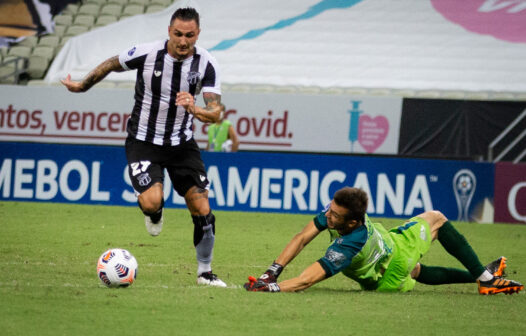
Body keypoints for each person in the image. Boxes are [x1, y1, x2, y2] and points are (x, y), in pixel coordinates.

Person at [61, 7, 227, 287]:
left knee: (203, 211)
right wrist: (83, 85)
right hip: (143, 142)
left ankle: (204, 272)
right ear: (169, 31)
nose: (183, 41)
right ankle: (155, 212)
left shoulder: (207, 64)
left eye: (189, 35)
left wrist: (194, 107)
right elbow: (112, 63)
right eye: (178, 34)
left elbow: (216, 112)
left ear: (198, 34)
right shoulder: (148, 53)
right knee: (151, 201)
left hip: (181, 145)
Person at [244, 187, 524, 295]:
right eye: (329, 209)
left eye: (334, 214)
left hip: (392, 260)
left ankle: (484, 278)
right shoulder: (339, 217)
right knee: (434, 223)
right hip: (389, 255)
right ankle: (484, 276)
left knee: (435, 219)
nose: (327, 216)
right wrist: (272, 271)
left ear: (352, 222)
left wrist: (270, 288)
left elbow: (306, 280)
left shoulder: (349, 244)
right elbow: (302, 237)